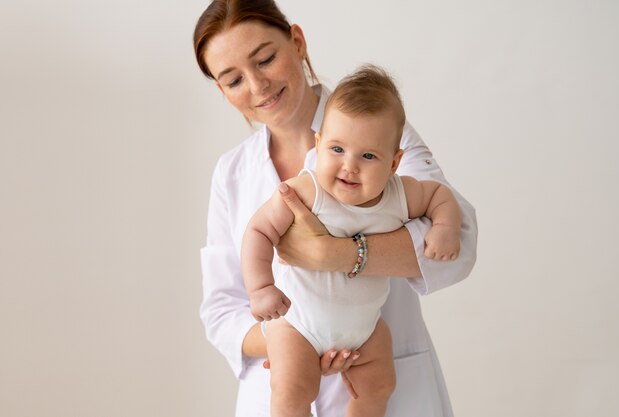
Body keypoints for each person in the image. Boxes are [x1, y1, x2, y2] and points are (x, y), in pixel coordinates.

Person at [194, 1, 478, 416]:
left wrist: (340, 254)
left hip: (384, 374)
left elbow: (461, 242)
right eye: (233, 79)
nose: (257, 87)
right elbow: (221, 311)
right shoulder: (231, 173)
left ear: (297, 42)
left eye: (266, 59)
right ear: (222, 90)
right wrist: (293, 340)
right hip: (280, 375)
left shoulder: (374, 123)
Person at [240, 64, 463, 417]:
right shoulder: (306, 190)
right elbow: (258, 231)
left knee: (379, 385)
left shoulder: (399, 195)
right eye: (337, 149)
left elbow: (441, 196)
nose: (349, 166)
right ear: (318, 145)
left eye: (369, 156)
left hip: (364, 328)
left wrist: (445, 228)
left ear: (394, 163)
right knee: (292, 390)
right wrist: (261, 289)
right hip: (300, 323)